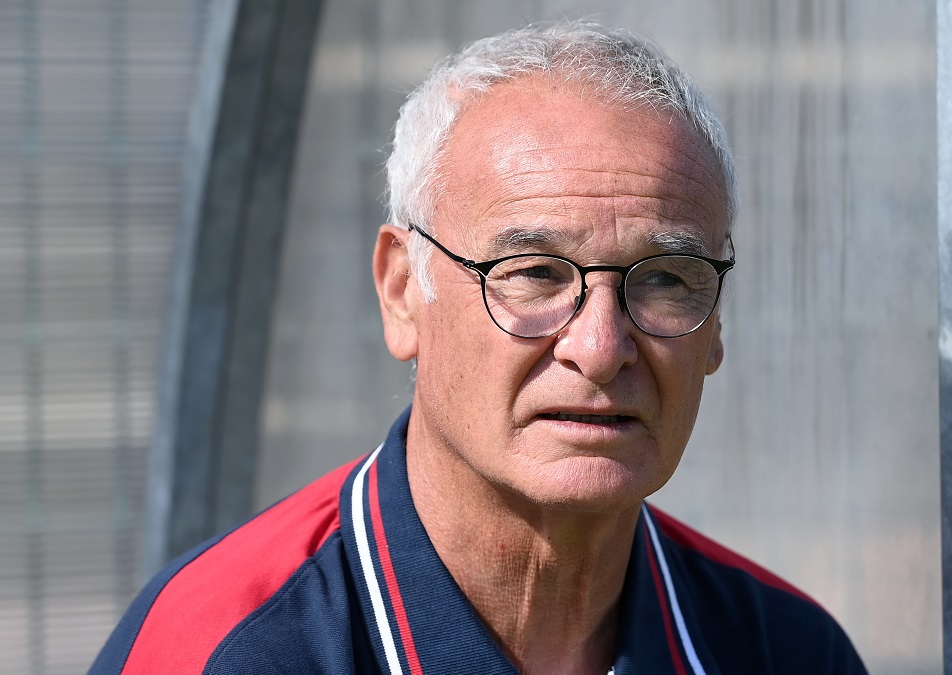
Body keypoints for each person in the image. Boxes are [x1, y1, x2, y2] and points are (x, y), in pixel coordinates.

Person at [91, 20, 867, 674]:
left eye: (664, 279)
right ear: (402, 291)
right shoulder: (228, 650)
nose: (601, 346)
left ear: (717, 323)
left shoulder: (788, 651)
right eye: (534, 273)